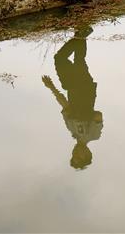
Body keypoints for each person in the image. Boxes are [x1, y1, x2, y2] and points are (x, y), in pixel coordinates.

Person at [42, 25, 103, 170]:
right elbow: (98, 115)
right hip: (85, 92)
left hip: (72, 89)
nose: (75, 153)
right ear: (87, 153)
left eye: (74, 156)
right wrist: (86, 118)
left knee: (67, 59)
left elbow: (65, 106)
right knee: (75, 60)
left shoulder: (73, 131)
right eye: (78, 156)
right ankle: (80, 34)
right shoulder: (93, 135)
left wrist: (51, 87)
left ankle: (80, 33)